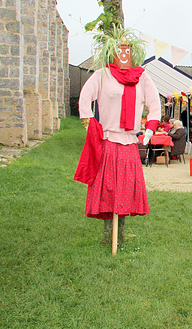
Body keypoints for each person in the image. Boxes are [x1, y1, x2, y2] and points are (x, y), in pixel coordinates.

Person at [75, 26, 160, 247]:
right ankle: (107, 236)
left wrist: (150, 128)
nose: (123, 54)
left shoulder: (142, 78)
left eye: (127, 50)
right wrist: (89, 124)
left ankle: (120, 235)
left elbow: (154, 105)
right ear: (112, 51)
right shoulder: (102, 75)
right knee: (108, 187)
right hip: (108, 140)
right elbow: (85, 98)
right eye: (119, 50)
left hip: (129, 142)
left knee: (126, 188)